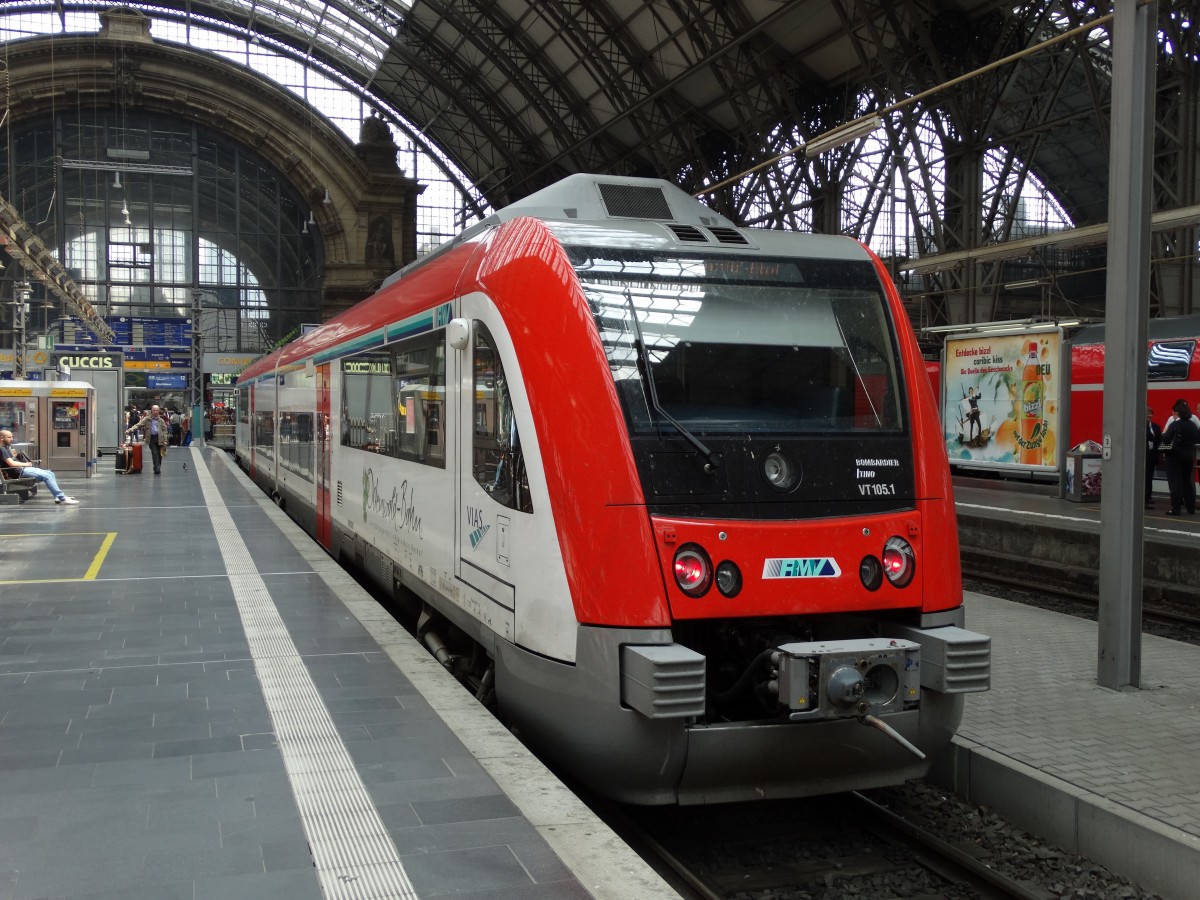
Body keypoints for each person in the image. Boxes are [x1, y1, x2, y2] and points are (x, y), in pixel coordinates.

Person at [0, 429, 79, 504]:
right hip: (19, 471)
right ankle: (62, 498)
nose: (12, 439)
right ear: (1, 438)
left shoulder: (5, 448)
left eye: (12, 437)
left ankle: (58, 496)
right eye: (9, 437)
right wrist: (26, 464)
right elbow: (11, 464)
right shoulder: (2, 449)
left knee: (50, 473)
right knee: (47, 476)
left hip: (21, 470)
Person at [1160, 398, 1199, 516]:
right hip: (1188, 455)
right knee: (1187, 482)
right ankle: (1191, 508)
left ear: (1178, 413)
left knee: (1175, 482)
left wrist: (1163, 436)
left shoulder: (1175, 424)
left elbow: (1166, 439)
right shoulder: (1193, 425)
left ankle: (1176, 509)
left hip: (1174, 456)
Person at [125, 404, 170, 475]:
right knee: (154, 454)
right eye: (154, 410)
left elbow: (165, 430)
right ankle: (157, 469)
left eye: (157, 410)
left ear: (158, 411)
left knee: (159, 455)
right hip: (151, 439)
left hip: (160, 439)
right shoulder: (147, 419)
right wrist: (129, 430)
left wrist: (165, 440)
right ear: (151, 411)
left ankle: (157, 467)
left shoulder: (161, 420)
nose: (155, 412)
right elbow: (138, 425)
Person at [1145, 406, 1162, 507]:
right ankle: (1144, 497)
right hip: (1144, 455)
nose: (1149, 415)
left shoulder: (1156, 427)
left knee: (1149, 476)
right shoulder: (1140, 427)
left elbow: (1158, 441)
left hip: (1152, 455)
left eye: (1151, 413)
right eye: (1147, 413)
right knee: (1144, 476)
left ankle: (1148, 495)